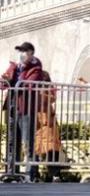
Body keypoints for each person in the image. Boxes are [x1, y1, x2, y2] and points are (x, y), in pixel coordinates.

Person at [2, 41, 45, 181]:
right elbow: (4, 84)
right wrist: (5, 80)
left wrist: (17, 82)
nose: (21, 54)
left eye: (24, 51)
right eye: (20, 51)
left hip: (27, 108)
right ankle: (11, 171)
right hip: (13, 107)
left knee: (28, 142)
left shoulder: (36, 68)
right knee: (12, 141)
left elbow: (30, 84)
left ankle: (31, 173)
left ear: (31, 53)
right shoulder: (14, 66)